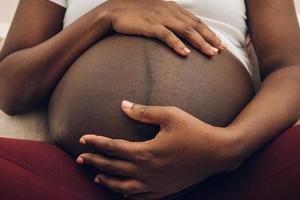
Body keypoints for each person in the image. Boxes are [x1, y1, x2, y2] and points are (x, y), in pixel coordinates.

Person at [0, 0, 299, 200]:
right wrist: (106, 15)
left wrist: (229, 148)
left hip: (227, 179)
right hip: (83, 180)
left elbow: (291, 68)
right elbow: (8, 88)